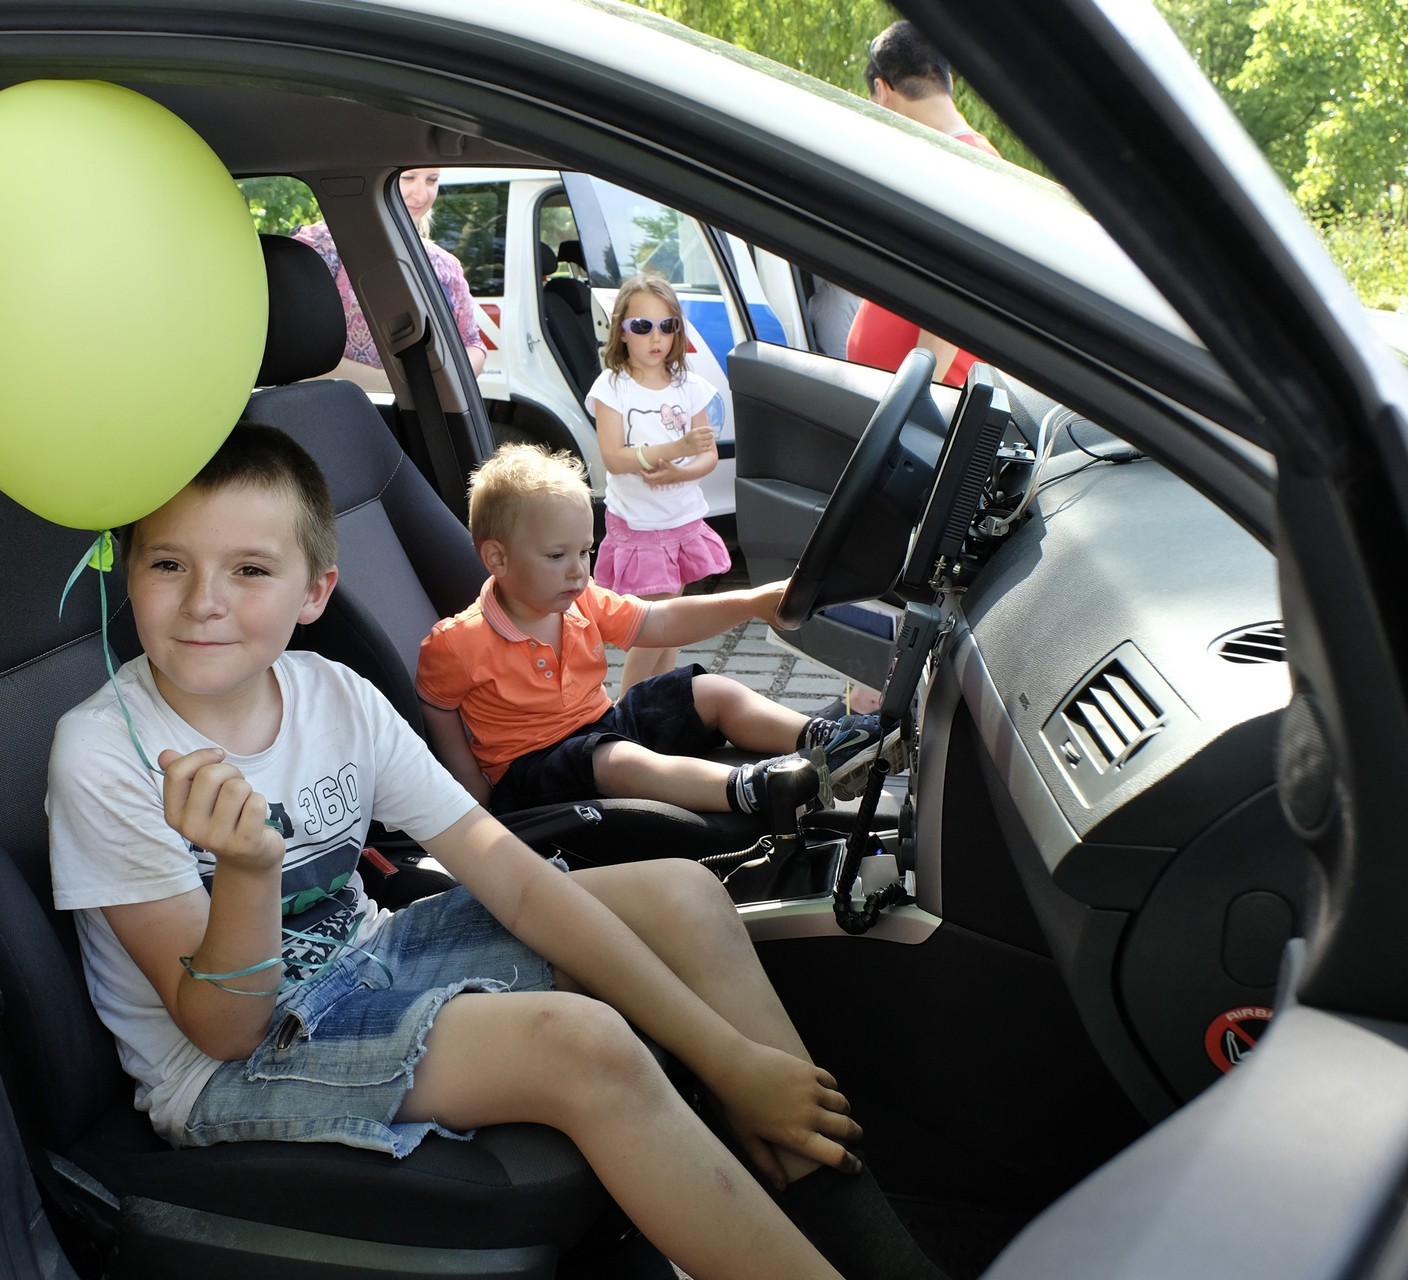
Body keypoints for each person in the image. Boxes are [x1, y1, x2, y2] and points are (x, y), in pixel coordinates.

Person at [47, 425, 943, 1280]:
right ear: (128, 570)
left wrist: (729, 1060)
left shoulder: (336, 697)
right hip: (230, 1064)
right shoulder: (104, 753)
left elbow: (507, 872)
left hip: (368, 953)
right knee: (583, 1046)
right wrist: (249, 873)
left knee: (683, 894)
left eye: (249, 569)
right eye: (169, 564)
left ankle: (850, 1224)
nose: (203, 600)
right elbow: (221, 1031)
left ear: (315, 592)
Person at [414, 443, 906, 817]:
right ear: (497, 559)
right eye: (557, 556)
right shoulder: (457, 644)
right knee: (617, 762)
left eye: (585, 551)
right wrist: (475, 799)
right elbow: (439, 707)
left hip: (602, 726)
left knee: (708, 690)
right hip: (534, 774)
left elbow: (660, 620)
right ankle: (754, 789)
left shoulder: (581, 600)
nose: (578, 570)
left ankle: (832, 742)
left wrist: (751, 603)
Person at [586, 273, 731, 695]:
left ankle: (655, 705)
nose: (656, 337)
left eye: (667, 326)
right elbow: (614, 457)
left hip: (681, 521)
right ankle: (625, 711)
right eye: (642, 326)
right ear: (621, 331)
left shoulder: (690, 386)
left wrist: (680, 471)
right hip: (639, 524)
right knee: (656, 625)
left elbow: (707, 454)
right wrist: (674, 449)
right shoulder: (613, 387)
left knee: (672, 626)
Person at [846, 20, 1000, 388]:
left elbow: (953, 304)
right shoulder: (957, 158)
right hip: (902, 392)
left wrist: (914, 395)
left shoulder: (966, 166)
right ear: (947, 81)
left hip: (922, 400)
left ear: (882, 91)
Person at [293, 167, 485, 394]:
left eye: (432, 180)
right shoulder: (321, 246)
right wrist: (397, 383)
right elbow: (295, 350)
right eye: (408, 178)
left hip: (423, 408)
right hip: (333, 404)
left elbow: (472, 343)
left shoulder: (445, 264)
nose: (421, 195)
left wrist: (443, 381)